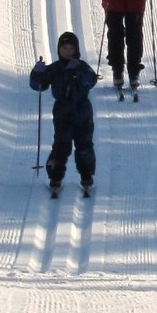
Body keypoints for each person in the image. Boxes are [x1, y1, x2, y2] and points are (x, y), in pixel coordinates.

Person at [29, 31, 98, 197]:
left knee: (84, 145)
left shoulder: (82, 66)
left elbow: (91, 81)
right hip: (62, 112)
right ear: (59, 49)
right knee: (61, 145)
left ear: (76, 50)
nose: (67, 51)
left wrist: (77, 72)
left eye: (71, 48)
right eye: (64, 48)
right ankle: (55, 177)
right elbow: (39, 85)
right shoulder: (55, 68)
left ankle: (87, 176)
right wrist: (37, 73)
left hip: (82, 111)